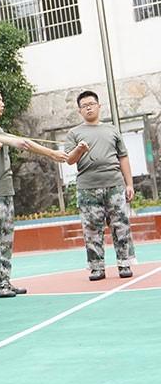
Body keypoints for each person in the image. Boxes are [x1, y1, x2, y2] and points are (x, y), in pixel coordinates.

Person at [0, 87, 68, 297]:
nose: (2, 103)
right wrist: (52, 153)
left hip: (4, 192)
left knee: (5, 239)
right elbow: (23, 142)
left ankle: (4, 280)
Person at [64, 90, 136, 281]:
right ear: (80, 111)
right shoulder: (74, 133)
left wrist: (129, 184)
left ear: (98, 106)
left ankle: (124, 263)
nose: (88, 107)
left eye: (91, 104)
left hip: (114, 184)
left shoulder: (112, 130)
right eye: (84, 105)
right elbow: (69, 160)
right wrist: (79, 149)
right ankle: (97, 267)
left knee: (120, 225)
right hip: (87, 188)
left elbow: (123, 157)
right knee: (91, 228)